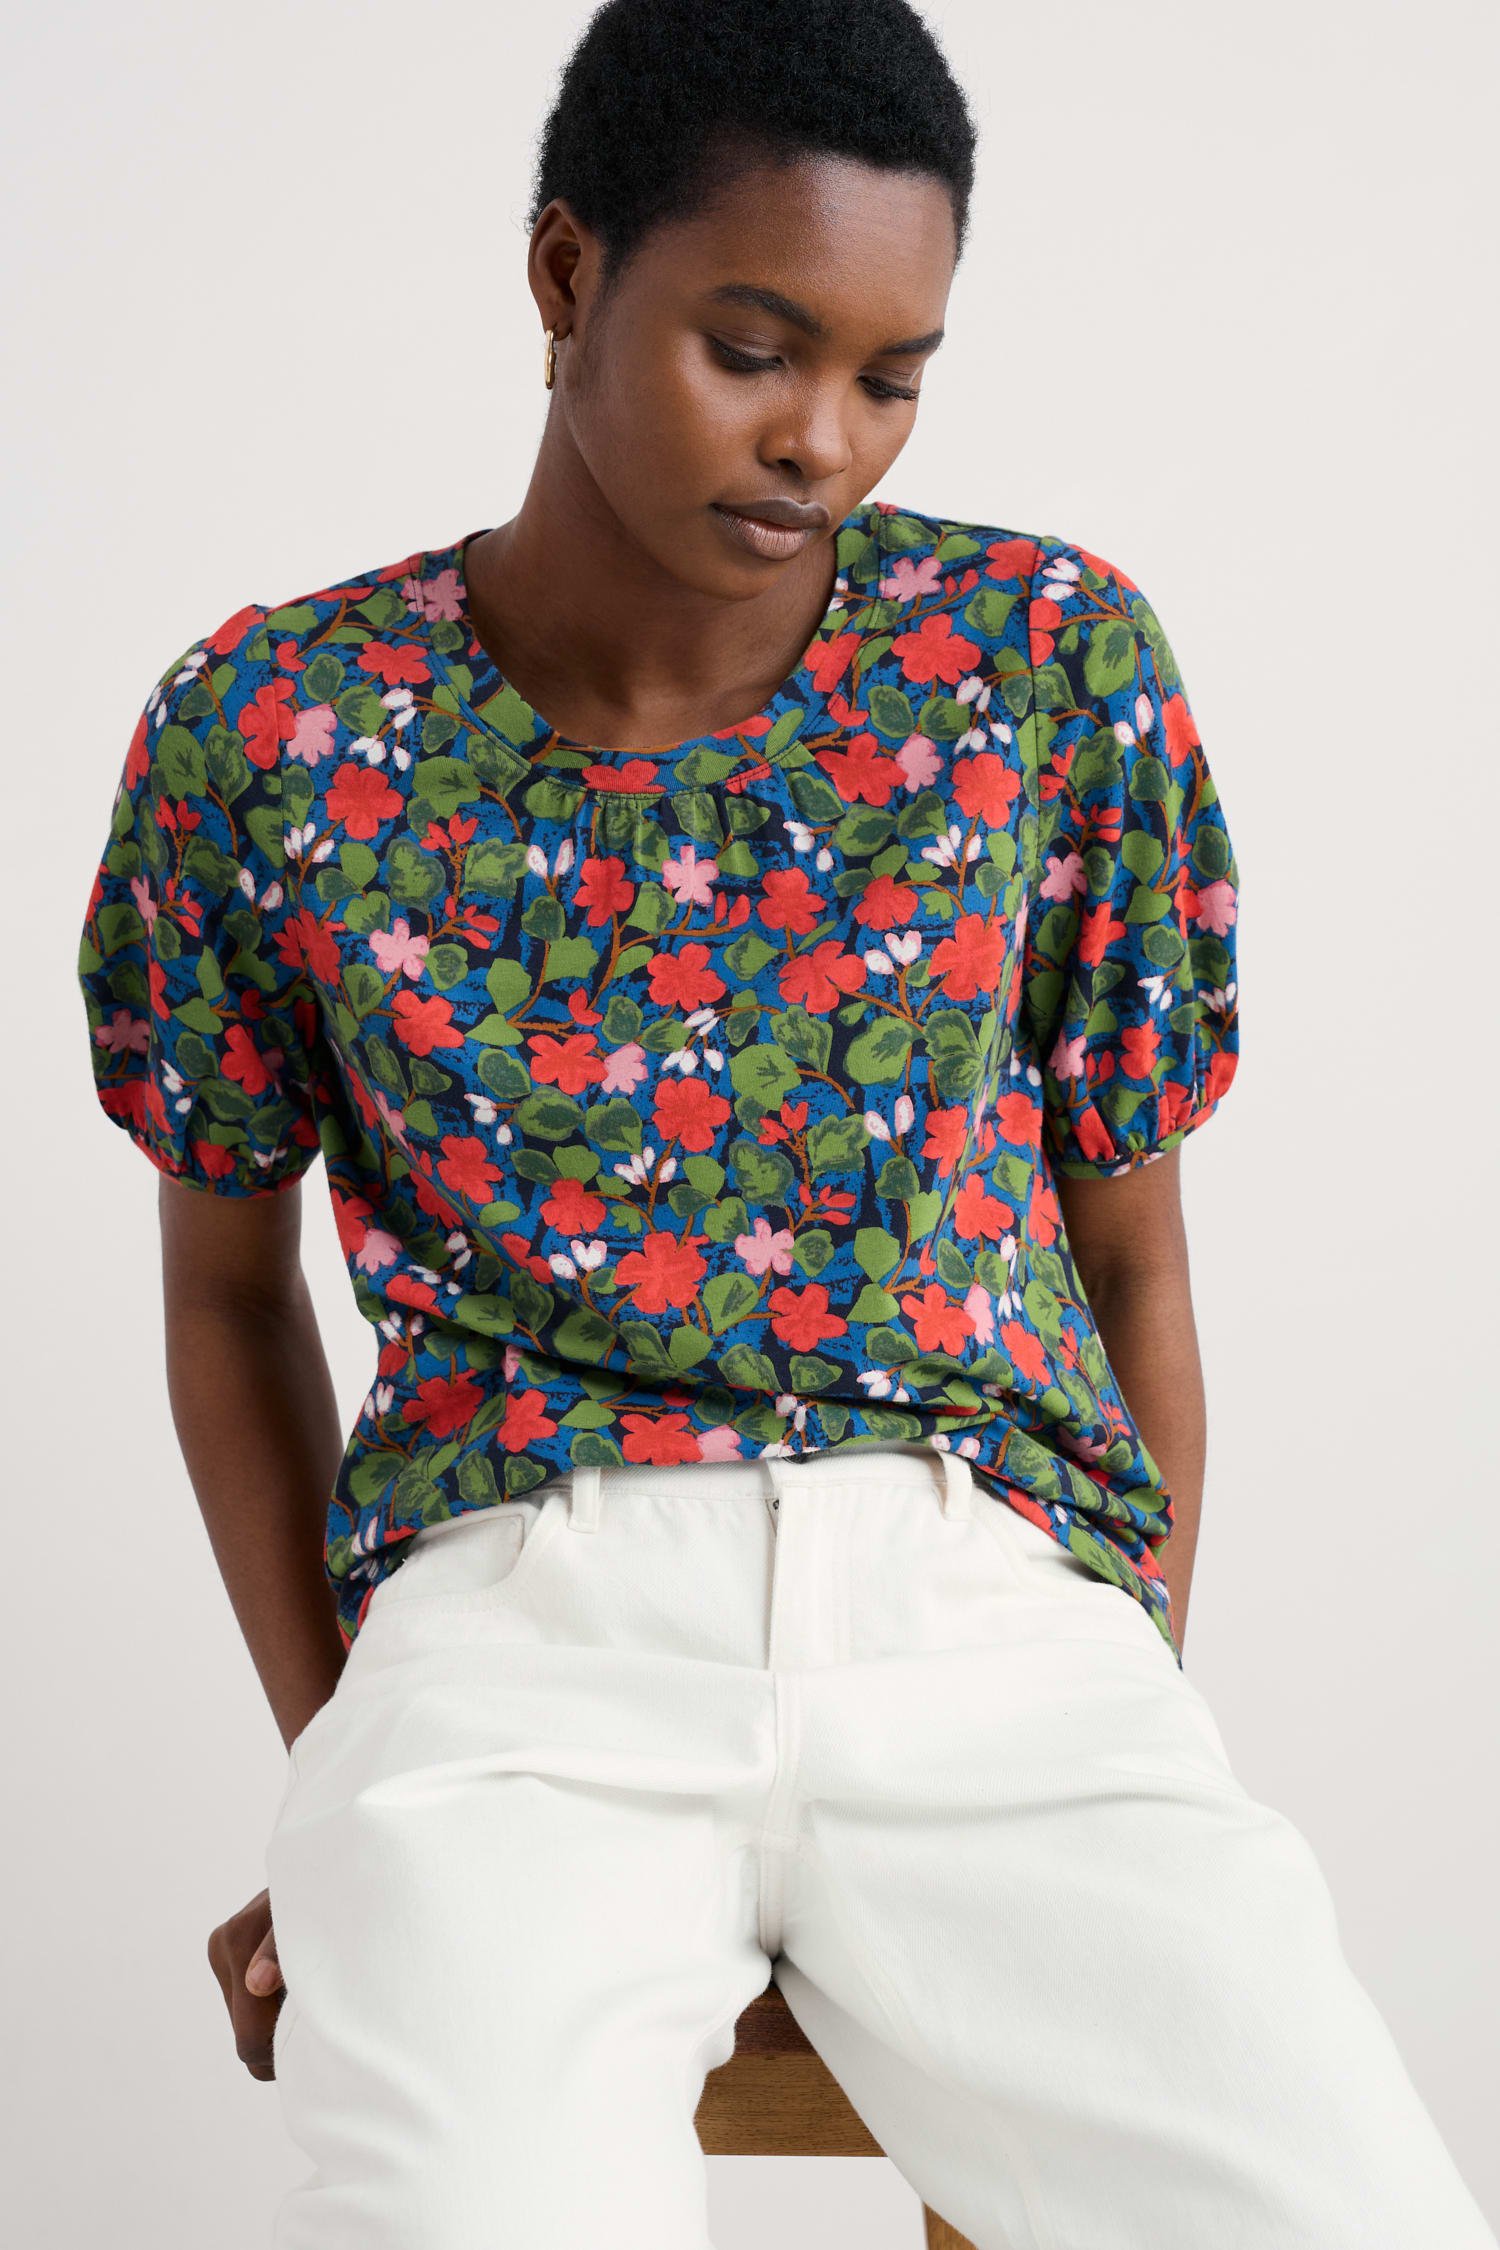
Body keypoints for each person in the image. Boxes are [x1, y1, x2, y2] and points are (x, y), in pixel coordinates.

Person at [74, 2, 1495, 2245]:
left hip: (993, 1617)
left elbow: (1134, 1256)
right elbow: (225, 1304)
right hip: (517, 1646)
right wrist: (348, 1774)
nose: (822, 437)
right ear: (565, 275)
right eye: (753, 348)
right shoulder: (274, 728)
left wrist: (1124, 1694)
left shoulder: (1039, 661)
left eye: (892, 376)